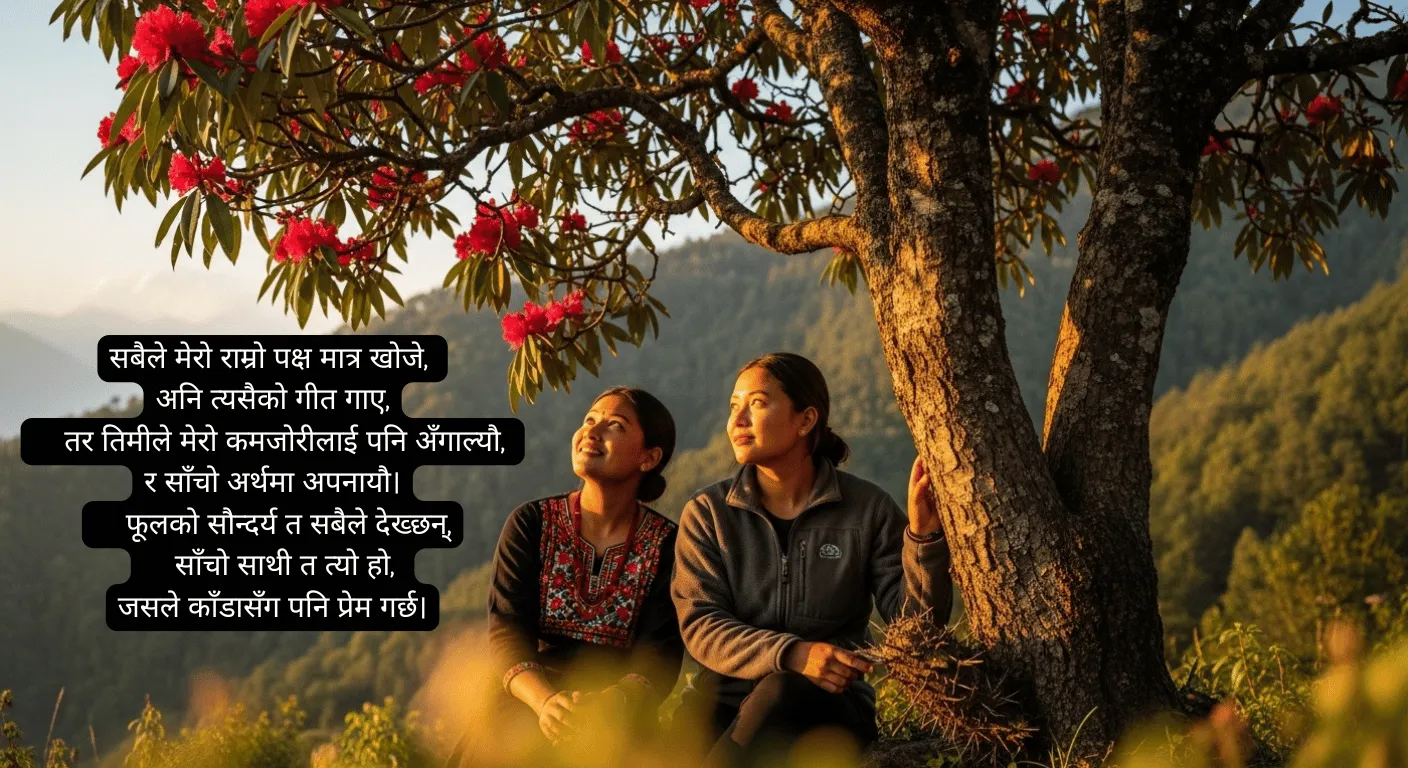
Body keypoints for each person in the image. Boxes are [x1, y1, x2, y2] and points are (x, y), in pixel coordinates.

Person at [671, 352, 954, 767]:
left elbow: (916, 627)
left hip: (828, 705)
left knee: (784, 690)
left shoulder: (867, 509)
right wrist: (792, 652)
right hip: (719, 702)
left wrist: (923, 538)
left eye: (758, 403)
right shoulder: (708, 513)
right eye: (734, 406)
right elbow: (700, 624)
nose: (738, 421)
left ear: (806, 420)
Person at [481, 386, 683, 759]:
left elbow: (661, 653)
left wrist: (612, 703)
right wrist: (546, 704)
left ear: (649, 457)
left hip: (620, 712)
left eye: (616, 426)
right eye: (589, 420)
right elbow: (507, 629)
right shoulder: (531, 523)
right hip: (531, 702)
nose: (592, 431)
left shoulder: (669, 544)